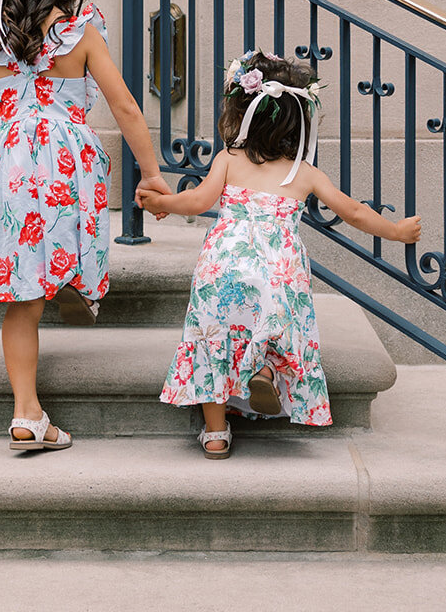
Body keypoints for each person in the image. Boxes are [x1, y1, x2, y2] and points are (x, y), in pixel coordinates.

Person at [0, 0, 173, 454]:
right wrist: (152, 174)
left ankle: (26, 414)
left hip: (5, 159)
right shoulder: (81, 32)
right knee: (65, 230)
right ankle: (72, 282)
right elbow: (124, 106)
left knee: (20, 299)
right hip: (65, 160)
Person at [138, 49, 421, 458]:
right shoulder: (304, 174)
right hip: (277, 266)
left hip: (224, 264)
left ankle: (215, 433)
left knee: (213, 339)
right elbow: (354, 213)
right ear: (298, 124)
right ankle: (268, 370)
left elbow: (198, 201)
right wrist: (397, 231)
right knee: (275, 326)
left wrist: (160, 203)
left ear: (241, 114)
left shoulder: (229, 159)